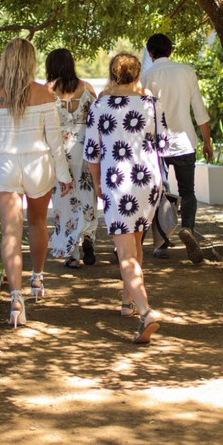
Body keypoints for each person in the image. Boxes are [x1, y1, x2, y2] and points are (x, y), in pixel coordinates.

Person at [0, 38, 73, 328]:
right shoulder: (44, 94)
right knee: (38, 222)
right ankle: (38, 278)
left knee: (10, 231)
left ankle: (16, 298)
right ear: (31, 61)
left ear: (6, 61)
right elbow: (55, 142)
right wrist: (64, 175)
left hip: (5, 166)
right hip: (38, 165)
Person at [83, 52, 166, 344]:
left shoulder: (100, 106)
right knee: (135, 242)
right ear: (137, 74)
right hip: (148, 182)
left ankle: (146, 313)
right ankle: (126, 302)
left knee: (125, 253)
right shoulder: (152, 104)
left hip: (117, 182)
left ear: (112, 74)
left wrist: (97, 185)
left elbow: (92, 152)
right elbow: (163, 144)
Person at [142, 33, 212, 264]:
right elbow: (199, 109)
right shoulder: (186, 72)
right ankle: (188, 228)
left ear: (150, 53)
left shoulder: (146, 76)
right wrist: (207, 141)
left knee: (158, 194)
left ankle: (161, 243)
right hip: (184, 142)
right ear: (171, 50)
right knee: (188, 191)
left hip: (156, 145)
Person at [45, 48, 100, 268]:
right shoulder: (87, 88)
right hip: (85, 148)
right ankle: (88, 236)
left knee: (64, 200)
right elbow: (97, 118)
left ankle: (73, 253)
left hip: (59, 150)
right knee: (87, 194)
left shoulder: (47, 91)